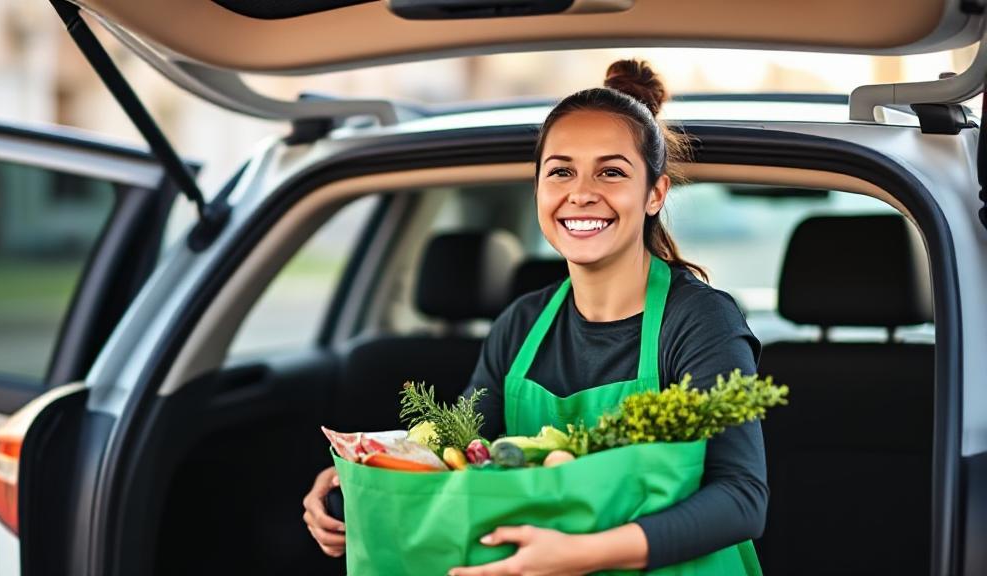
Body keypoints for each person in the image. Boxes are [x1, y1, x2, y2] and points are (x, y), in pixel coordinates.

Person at [303, 59, 767, 575]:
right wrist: (364, 472)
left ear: (654, 193)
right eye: (561, 171)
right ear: (539, 189)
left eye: (611, 172)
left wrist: (583, 554)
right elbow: (457, 447)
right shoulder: (522, 324)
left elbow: (741, 498)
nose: (581, 192)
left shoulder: (701, 321)